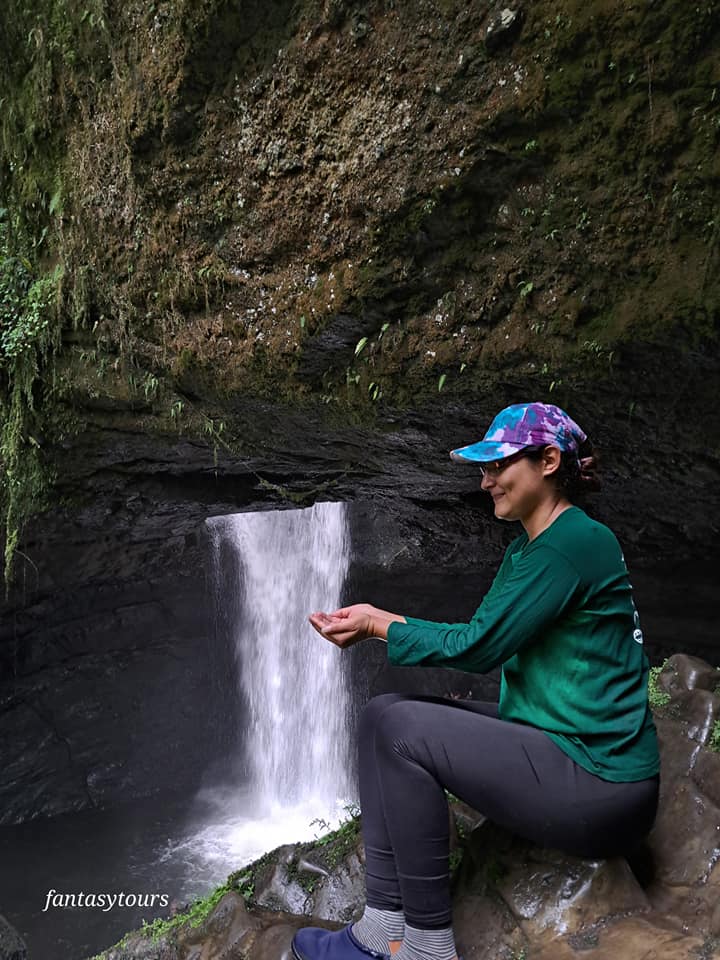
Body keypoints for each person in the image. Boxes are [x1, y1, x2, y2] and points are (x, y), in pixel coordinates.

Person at [291, 402, 660, 960]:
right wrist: (378, 623)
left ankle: (426, 949)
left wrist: (376, 623)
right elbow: (481, 633)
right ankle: (381, 928)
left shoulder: (572, 544)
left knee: (400, 730)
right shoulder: (530, 547)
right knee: (379, 716)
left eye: (498, 465)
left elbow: (478, 648)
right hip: (563, 743)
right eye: (482, 468)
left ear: (550, 460)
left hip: (602, 784)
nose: (484, 480)